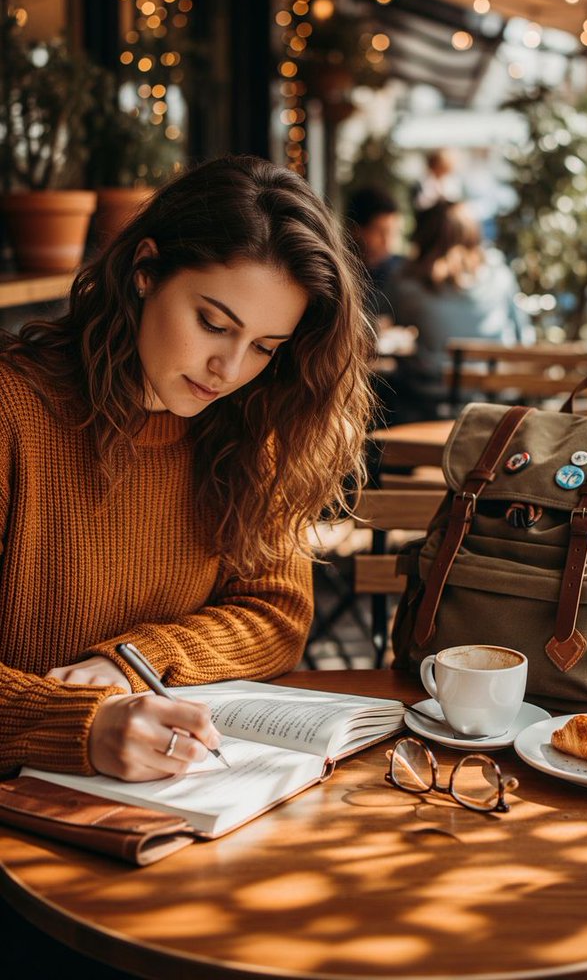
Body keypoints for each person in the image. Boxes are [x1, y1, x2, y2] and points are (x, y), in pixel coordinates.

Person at [0, 155, 373, 783]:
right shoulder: (13, 413)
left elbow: (277, 613)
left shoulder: (249, 427)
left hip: (163, 796)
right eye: (213, 323)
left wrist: (133, 662)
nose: (229, 369)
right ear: (145, 270)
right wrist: (80, 724)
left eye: (264, 347)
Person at [386, 199, 527, 422]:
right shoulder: (501, 276)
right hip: (495, 407)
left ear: (423, 237)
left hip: (428, 407)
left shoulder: (407, 285)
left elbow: (377, 325)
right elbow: (523, 337)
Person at [344, 185, 404, 319]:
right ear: (356, 230)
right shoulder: (342, 273)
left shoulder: (404, 271)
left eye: (394, 232)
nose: (388, 242)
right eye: (381, 232)